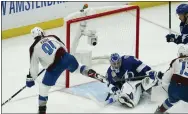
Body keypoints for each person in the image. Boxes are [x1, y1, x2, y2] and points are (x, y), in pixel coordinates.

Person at [26, 27, 99, 114]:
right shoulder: (52, 36)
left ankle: (42, 110)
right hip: (66, 57)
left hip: (54, 68)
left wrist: (31, 78)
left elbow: (34, 68)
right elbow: (64, 48)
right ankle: (91, 73)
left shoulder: (33, 47)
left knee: (43, 88)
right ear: (42, 32)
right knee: (79, 67)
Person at [154, 45, 188, 114]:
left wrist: (170, 90)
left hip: (173, 87)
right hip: (186, 89)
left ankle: (159, 111)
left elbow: (166, 78)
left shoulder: (175, 61)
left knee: (171, 100)